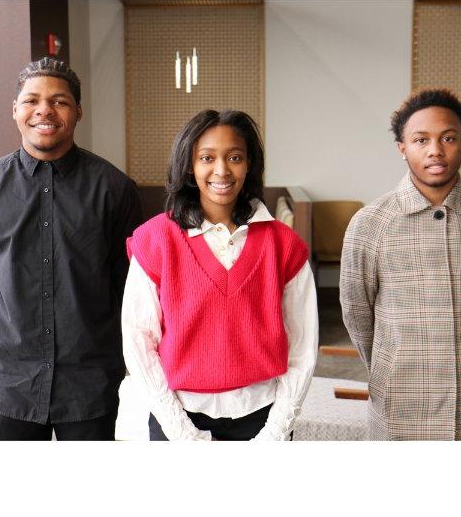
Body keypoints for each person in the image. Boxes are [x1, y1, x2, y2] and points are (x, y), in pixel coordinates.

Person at [0, 57, 143, 440]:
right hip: (11, 376)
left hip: (88, 376)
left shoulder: (114, 189)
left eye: (59, 101)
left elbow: (125, 278)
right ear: (15, 110)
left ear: (77, 111)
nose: (44, 109)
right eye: (31, 100)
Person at [122, 109, 318, 440]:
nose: (222, 170)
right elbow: (139, 340)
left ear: (250, 165)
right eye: (207, 158)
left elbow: (303, 347)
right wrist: (183, 433)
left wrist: (275, 433)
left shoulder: (284, 246)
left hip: (263, 416)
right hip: (178, 417)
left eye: (235, 157)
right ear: (189, 166)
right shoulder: (156, 240)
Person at [339, 89, 461, 441]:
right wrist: (393, 365)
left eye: (448, 138)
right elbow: (357, 314)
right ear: (402, 147)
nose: (435, 150)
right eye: (421, 139)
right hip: (401, 398)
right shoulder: (370, 223)